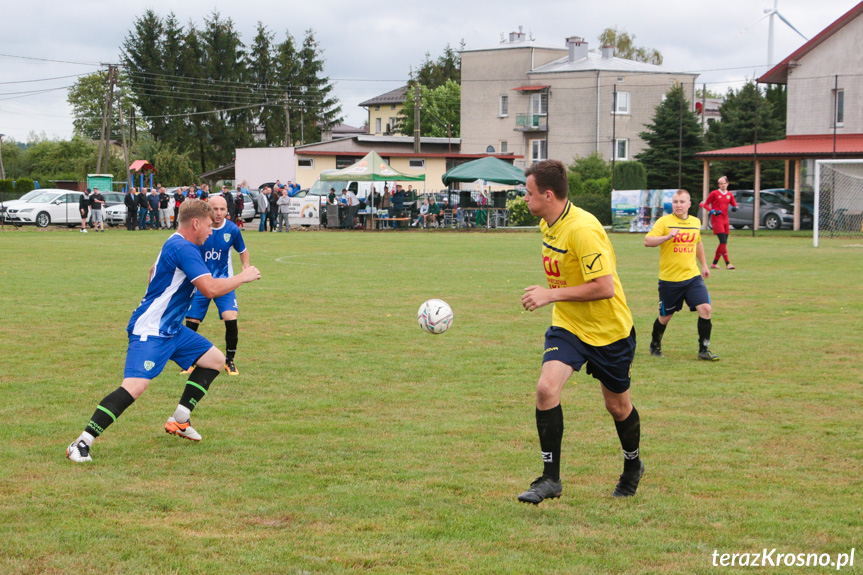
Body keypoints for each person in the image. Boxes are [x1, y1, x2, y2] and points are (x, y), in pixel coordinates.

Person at [65, 199, 262, 463]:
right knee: (134, 387)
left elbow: (151, 271)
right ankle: (81, 442)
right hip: (152, 330)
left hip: (171, 329)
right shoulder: (185, 248)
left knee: (215, 361)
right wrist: (244, 276)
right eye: (207, 225)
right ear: (195, 223)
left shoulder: (175, 240)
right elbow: (211, 290)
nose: (209, 230)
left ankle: (180, 419)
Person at [517, 159, 643, 504]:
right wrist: (555, 299)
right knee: (546, 389)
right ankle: (550, 479)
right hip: (569, 325)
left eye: (528, 194)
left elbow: (605, 288)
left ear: (548, 194)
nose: (524, 199)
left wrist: (549, 294)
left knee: (617, 407)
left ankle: (632, 466)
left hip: (609, 330)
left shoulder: (582, 229)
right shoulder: (549, 223)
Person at [645, 189, 719, 361]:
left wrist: (705, 265)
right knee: (665, 317)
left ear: (689, 204)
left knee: (706, 309)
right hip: (670, 280)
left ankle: (704, 350)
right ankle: (655, 344)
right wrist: (667, 237)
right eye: (675, 201)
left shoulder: (695, 222)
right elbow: (647, 241)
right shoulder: (664, 222)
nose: (678, 205)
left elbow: (697, 242)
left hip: (692, 277)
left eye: (682, 202)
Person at [182, 194, 251, 377]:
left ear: (227, 211)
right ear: (208, 210)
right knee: (192, 321)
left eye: (222, 209)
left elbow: (243, 251)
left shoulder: (232, 230)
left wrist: (245, 267)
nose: (218, 213)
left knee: (231, 316)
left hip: (224, 283)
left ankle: (230, 361)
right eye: (215, 209)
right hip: (201, 282)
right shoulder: (200, 229)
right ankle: (189, 362)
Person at [699, 176, 738, 270]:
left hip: (725, 220)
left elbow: (734, 204)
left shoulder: (729, 194)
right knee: (723, 241)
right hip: (717, 220)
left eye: (724, 183)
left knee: (723, 243)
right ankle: (728, 263)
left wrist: (735, 208)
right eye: (720, 184)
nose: (722, 185)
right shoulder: (714, 193)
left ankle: (714, 264)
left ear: (727, 184)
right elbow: (705, 204)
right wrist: (712, 211)